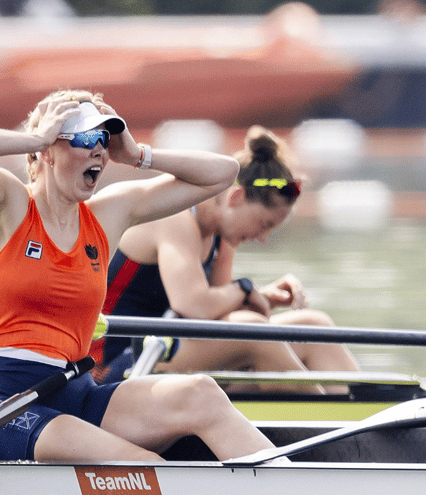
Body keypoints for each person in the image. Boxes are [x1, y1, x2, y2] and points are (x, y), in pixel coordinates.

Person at [0, 89, 280, 464]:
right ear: (49, 152)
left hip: (77, 390)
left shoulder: (106, 214)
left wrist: (137, 155)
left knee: (202, 393)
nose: (100, 150)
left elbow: (224, 173)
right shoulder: (8, 204)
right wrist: (34, 138)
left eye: (103, 139)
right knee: (146, 465)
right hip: (4, 403)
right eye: (85, 139)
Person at [89, 126, 360, 394]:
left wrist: (261, 297)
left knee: (313, 327)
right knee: (252, 332)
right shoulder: (177, 218)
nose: (263, 237)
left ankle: (371, 417)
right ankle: (333, 424)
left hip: (163, 349)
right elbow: (193, 305)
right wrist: (244, 289)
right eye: (264, 224)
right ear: (236, 197)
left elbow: (218, 316)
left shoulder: (222, 236)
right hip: (113, 364)